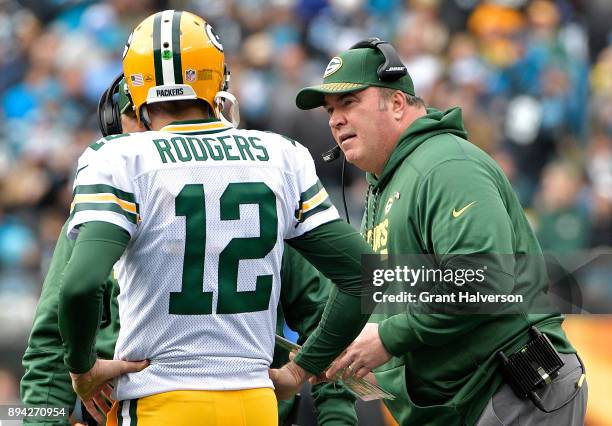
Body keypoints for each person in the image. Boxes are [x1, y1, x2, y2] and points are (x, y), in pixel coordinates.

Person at [58, 10, 372, 425]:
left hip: (160, 403)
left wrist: (82, 368)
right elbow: (367, 275)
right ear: (217, 78)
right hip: (254, 405)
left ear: (135, 89)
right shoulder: (280, 154)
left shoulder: (119, 157)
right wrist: (300, 369)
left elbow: (79, 286)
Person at [294, 39, 587, 425]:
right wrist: (307, 364)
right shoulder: (386, 185)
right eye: (331, 110)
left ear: (397, 103)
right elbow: (379, 290)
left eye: (349, 102)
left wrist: (386, 337)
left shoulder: (446, 164)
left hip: (513, 389)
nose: (334, 119)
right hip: (464, 402)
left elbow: (484, 279)